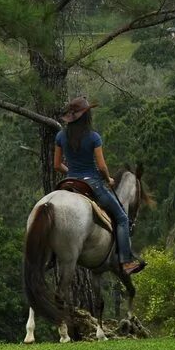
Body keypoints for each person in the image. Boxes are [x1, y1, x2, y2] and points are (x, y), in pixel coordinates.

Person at [53, 96, 144, 275]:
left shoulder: (61, 136)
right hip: (92, 183)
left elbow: (56, 165)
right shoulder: (94, 137)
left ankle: (50, 257)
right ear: (86, 116)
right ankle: (126, 262)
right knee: (122, 218)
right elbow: (102, 166)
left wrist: (71, 172)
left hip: (69, 182)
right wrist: (108, 179)